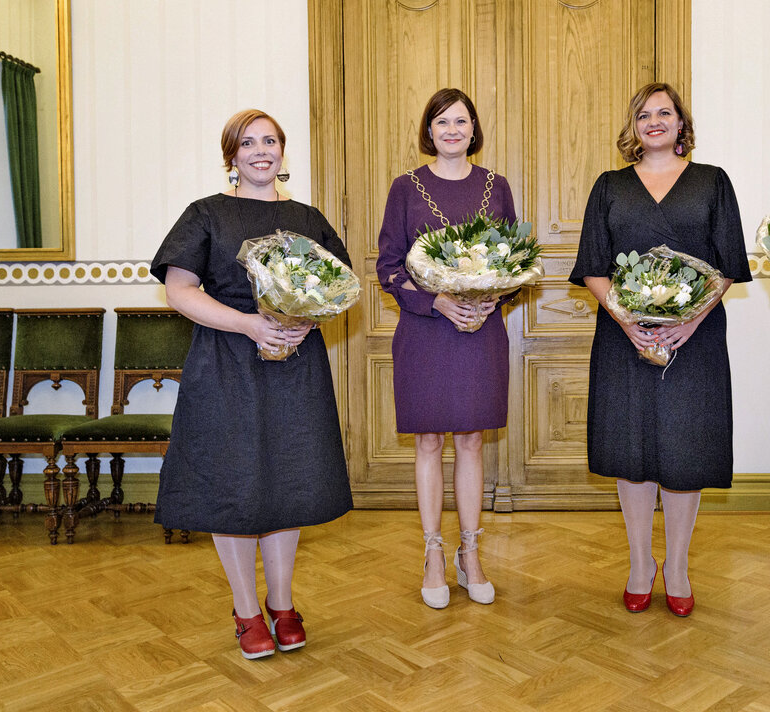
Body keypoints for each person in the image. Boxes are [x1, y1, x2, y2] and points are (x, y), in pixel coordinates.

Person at [150, 109, 353, 660]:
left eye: (270, 141)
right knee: (234, 485)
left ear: (282, 151)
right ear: (231, 155)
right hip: (225, 363)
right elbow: (179, 291)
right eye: (247, 143)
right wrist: (248, 324)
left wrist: (303, 323)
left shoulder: (307, 218)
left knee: (288, 481)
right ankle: (246, 611)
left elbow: (337, 287)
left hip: (295, 364)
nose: (260, 151)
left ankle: (282, 604)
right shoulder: (206, 214)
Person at [570, 82, 750, 617]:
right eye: (644, 115)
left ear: (680, 124)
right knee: (632, 450)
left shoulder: (712, 182)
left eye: (664, 113)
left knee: (684, 451)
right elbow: (594, 265)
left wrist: (689, 322)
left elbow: (728, 264)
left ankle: (677, 567)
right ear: (634, 126)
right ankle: (638, 564)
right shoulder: (609, 186)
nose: (654, 122)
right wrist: (627, 322)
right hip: (624, 339)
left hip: (695, 340)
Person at [376, 88, 518, 608]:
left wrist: (490, 299)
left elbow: (514, 260)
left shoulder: (496, 186)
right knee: (429, 442)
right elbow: (388, 266)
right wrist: (436, 302)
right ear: (429, 131)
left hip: (481, 330)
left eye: (461, 121)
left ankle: (470, 553)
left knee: (473, 441)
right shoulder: (405, 187)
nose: (452, 130)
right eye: (442, 122)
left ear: (474, 129)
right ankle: (434, 553)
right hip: (425, 331)